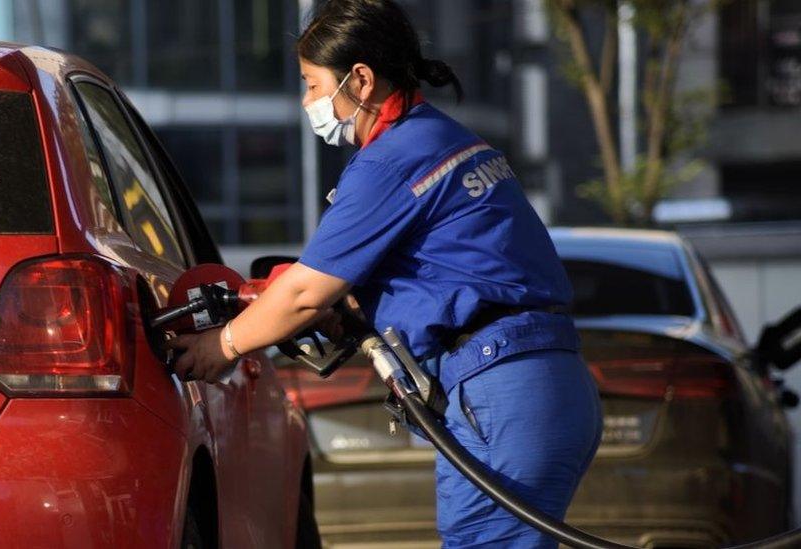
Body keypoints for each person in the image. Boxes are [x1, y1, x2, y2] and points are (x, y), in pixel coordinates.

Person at [166, 0, 603, 546]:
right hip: (544, 381)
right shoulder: (445, 139)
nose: (307, 102)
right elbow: (445, 271)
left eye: (311, 84)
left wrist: (223, 344)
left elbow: (304, 292)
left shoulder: (390, 160)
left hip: (500, 391)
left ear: (361, 80)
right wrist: (352, 314)